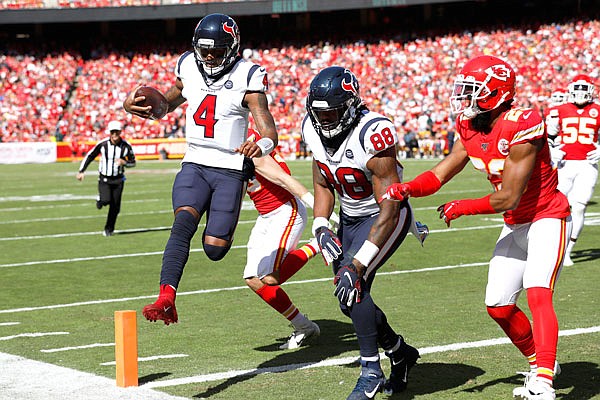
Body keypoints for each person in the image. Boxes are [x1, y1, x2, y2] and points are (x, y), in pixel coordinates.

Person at [382, 55, 571, 400]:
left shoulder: (522, 122)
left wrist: (464, 207)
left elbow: (510, 196)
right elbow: (439, 174)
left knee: (538, 291)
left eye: (471, 90)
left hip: (546, 215)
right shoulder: (469, 126)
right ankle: (540, 361)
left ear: (495, 93)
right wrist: (408, 188)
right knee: (498, 304)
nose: (463, 97)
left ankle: (543, 381)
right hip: (515, 224)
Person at [122, 13, 278, 325]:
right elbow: (164, 106)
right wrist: (133, 105)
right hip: (194, 162)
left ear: (231, 48)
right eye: (203, 50)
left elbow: (269, 131)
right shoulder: (188, 66)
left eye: (216, 51)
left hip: (230, 169)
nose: (208, 56)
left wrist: (260, 146)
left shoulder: (248, 76)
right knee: (182, 224)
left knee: (215, 249)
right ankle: (166, 296)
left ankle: (221, 233)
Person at [303, 66, 424, 399]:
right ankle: (400, 352)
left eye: (332, 112)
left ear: (352, 104)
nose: (325, 120)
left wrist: (357, 265)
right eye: (319, 113)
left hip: (386, 215)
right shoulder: (312, 130)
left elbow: (389, 204)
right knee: (348, 299)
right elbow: (322, 180)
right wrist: (320, 224)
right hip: (349, 217)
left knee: (351, 284)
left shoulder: (373, 132)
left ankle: (371, 369)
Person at [244, 129, 338, 349]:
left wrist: (322, 213)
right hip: (266, 215)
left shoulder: (248, 146)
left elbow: (286, 180)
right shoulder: (231, 140)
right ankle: (304, 326)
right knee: (253, 278)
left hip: (286, 211)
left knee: (270, 277)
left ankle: (317, 244)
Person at [546, 74, 600, 266]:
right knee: (555, 206)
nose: (580, 93)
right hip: (564, 165)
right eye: (577, 89)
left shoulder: (597, 109)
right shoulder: (558, 110)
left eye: (583, 89)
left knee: (579, 206)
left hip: (587, 165)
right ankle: (552, 247)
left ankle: (568, 251)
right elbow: (549, 136)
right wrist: (552, 150)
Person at [76, 120, 136, 237]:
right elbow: (90, 156)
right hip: (105, 178)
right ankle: (100, 199)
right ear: (109, 132)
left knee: (115, 207)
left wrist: (125, 162)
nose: (115, 135)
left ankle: (109, 229)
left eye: (117, 132)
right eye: (112, 132)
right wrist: (81, 171)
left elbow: (133, 162)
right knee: (106, 200)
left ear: (120, 132)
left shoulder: (126, 146)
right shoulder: (103, 144)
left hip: (119, 179)